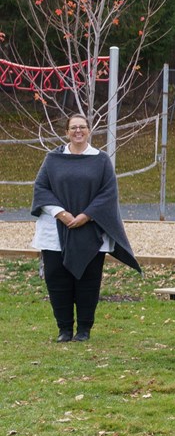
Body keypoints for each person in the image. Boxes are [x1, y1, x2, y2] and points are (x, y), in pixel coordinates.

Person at [30, 113, 140, 342]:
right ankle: (64, 330)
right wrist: (60, 213)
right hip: (55, 231)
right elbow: (41, 188)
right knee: (57, 280)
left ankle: (84, 330)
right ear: (66, 132)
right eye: (73, 128)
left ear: (89, 130)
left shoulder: (100, 160)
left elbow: (108, 193)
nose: (78, 131)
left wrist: (86, 215)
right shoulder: (52, 159)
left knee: (88, 282)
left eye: (82, 127)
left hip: (91, 230)